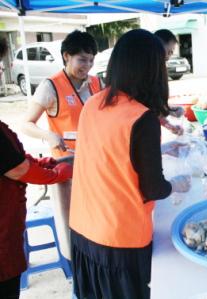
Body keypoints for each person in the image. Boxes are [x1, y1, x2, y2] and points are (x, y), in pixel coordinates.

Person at [69, 29, 191, 299]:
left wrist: (162, 150)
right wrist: (179, 184)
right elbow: (154, 188)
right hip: (120, 241)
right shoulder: (142, 117)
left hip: (83, 229)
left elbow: (110, 153)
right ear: (152, 69)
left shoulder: (94, 102)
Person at [0, 36, 72, 299]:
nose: (1, 70)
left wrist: (35, 161)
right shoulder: (50, 86)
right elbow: (16, 169)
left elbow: (10, 159)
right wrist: (54, 174)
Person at [19, 30, 100, 261]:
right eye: (82, 59)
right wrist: (48, 135)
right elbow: (26, 124)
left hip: (95, 162)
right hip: (67, 167)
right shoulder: (51, 86)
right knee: (72, 226)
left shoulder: (96, 83)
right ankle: (76, 266)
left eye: (91, 60)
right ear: (66, 56)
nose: (87, 66)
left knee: (95, 222)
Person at [154, 29, 185, 136]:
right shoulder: (149, 72)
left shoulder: (159, 68)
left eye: (171, 52)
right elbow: (149, 107)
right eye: (169, 51)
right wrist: (167, 110)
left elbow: (154, 107)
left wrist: (168, 110)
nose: (168, 57)